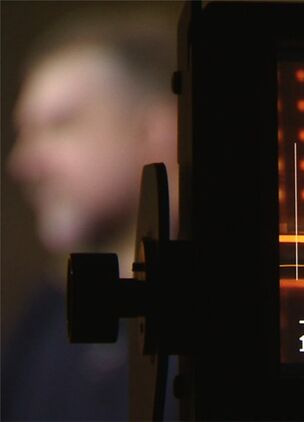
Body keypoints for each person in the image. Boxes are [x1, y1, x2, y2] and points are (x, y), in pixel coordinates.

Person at [2, 6, 180, 420]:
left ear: (155, 129)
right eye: (24, 134)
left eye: (60, 125)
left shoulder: (238, 323)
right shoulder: (43, 321)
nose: (23, 165)